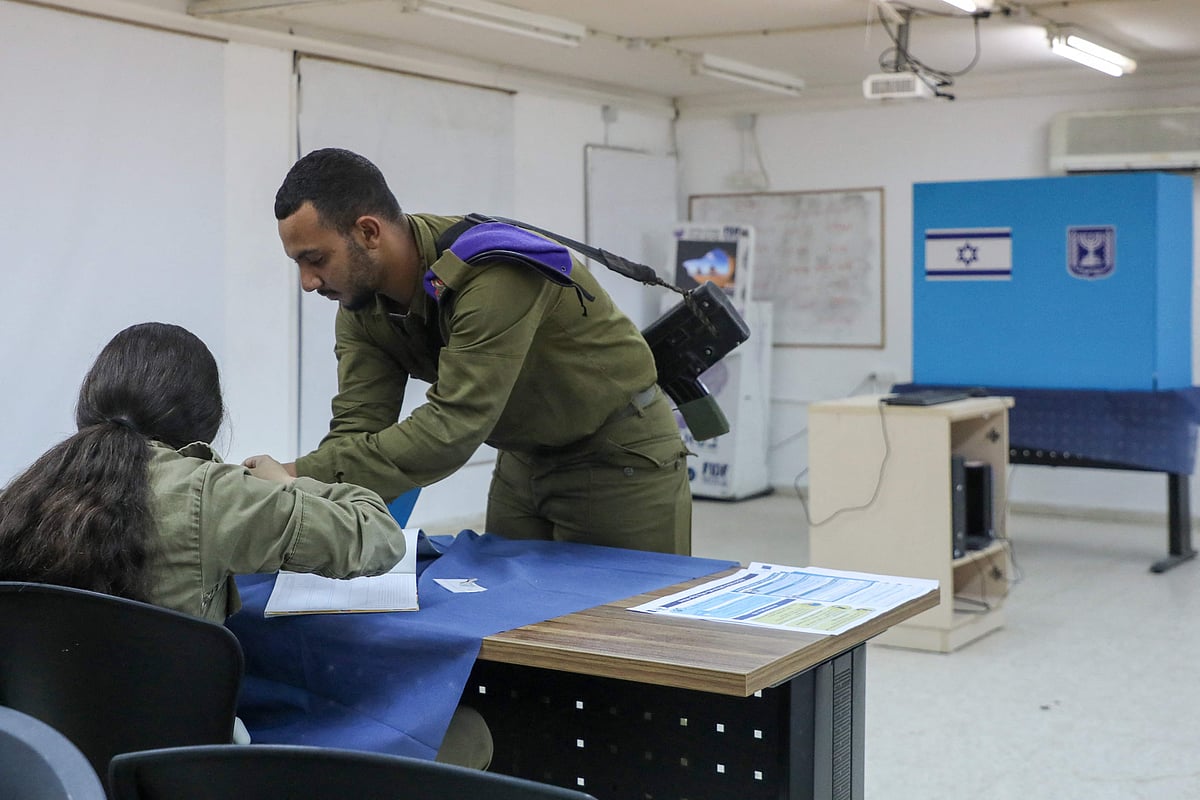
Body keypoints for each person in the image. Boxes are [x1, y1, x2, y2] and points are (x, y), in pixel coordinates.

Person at [0, 321, 491, 769]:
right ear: (206, 418)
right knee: (469, 734)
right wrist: (287, 484)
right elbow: (377, 535)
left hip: (52, 763)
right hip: (182, 764)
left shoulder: (26, 495)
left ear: (89, 402)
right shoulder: (212, 493)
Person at [264, 147, 692, 555]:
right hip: (523, 460)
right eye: (298, 264)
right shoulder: (361, 301)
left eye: (316, 259)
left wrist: (298, 474)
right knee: (511, 620)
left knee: (628, 622)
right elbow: (358, 425)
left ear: (368, 232)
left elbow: (450, 428)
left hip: (618, 455)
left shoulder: (492, 272)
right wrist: (302, 492)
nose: (308, 281)